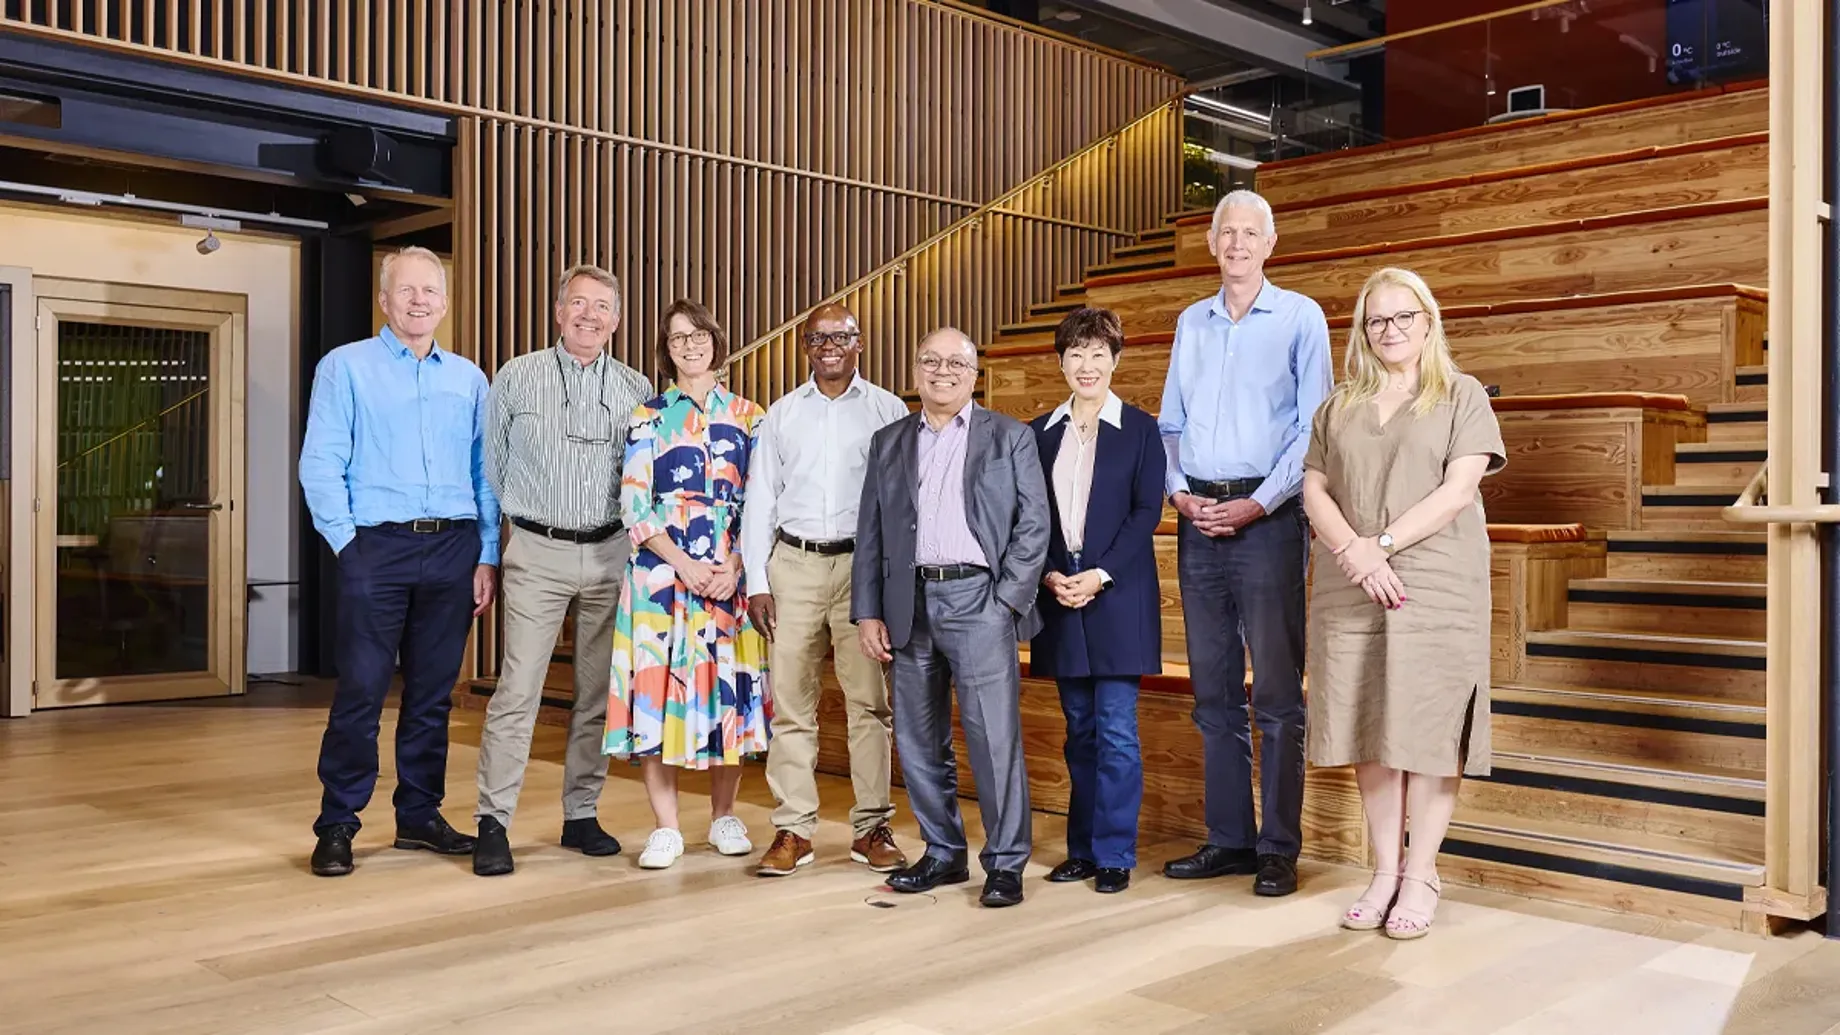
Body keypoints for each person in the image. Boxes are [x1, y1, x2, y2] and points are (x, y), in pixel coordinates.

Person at [1301, 267, 1504, 940]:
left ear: (1428, 321)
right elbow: (1314, 489)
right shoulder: (1339, 403)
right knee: (1370, 724)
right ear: (1363, 330)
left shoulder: (1461, 393)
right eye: (1377, 320)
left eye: (1403, 317)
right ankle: (1385, 870)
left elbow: (1457, 490)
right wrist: (1357, 553)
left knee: (1429, 728)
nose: (1390, 330)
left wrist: (1381, 543)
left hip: (1436, 579)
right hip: (1350, 579)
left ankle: (1422, 872)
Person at [299, 245, 501, 877]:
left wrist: (486, 552)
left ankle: (418, 815)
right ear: (384, 300)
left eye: (430, 291)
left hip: (453, 547)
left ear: (444, 301)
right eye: (405, 290)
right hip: (374, 547)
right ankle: (338, 823)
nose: (418, 301)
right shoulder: (346, 367)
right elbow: (321, 460)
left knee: (432, 696)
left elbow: (484, 472)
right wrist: (347, 545)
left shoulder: (469, 378)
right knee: (360, 691)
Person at [1156, 189, 1332, 897]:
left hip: (1270, 518)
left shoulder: (1299, 316)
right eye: (1225, 231)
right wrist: (1179, 493)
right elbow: (1170, 424)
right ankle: (1229, 838)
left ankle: (1278, 847)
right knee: (1214, 691)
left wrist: (1260, 502)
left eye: (1249, 232)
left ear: (1270, 243)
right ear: (1210, 241)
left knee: (1279, 694)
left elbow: (1313, 426)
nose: (1236, 243)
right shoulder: (1190, 322)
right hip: (1198, 519)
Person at [851, 327, 1050, 908]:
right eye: (930, 361)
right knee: (917, 738)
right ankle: (943, 852)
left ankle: (1006, 863)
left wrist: (1007, 600)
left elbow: (1034, 526)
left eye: (955, 363)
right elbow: (871, 533)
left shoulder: (1009, 437)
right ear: (915, 371)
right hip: (906, 603)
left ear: (975, 373)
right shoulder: (888, 440)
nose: (942, 371)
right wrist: (868, 611)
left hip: (979, 602)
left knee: (994, 740)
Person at [471, 264, 654, 876]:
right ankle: (492, 822)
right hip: (537, 551)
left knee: (595, 694)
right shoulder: (517, 376)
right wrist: (495, 550)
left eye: (602, 306)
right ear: (558, 312)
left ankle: (581, 814)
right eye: (578, 303)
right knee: (517, 690)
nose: (589, 315)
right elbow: (491, 469)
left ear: (616, 320)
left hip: (611, 553)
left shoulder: (637, 387)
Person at [741, 303, 911, 877]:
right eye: (818, 337)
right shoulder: (782, 415)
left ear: (859, 342)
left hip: (861, 571)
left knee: (869, 705)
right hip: (793, 567)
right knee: (790, 706)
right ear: (805, 345)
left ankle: (872, 828)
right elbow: (760, 500)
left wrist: (890, 585)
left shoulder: (888, 410)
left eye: (841, 336)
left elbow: (902, 504)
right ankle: (793, 830)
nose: (830, 345)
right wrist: (758, 582)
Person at [604, 299, 771, 870]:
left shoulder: (752, 416)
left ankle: (724, 814)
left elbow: (765, 502)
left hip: (730, 577)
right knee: (655, 691)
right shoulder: (646, 416)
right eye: (677, 338)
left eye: (699, 334)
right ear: (665, 349)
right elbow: (633, 503)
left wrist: (737, 565)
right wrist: (683, 563)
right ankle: (666, 827)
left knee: (728, 693)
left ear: (717, 341)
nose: (690, 345)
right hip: (661, 576)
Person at [1028, 307, 1165, 896]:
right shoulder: (1037, 433)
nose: (1087, 365)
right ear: (1061, 362)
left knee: (1115, 731)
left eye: (1098, 354)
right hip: (1059, 595)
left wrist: (1100, 574)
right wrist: (1050, 575)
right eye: (1076, 354)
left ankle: (1114, 853)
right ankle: (1080, 849)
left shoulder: (1139, 429)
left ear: (1115, 360)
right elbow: (1027, 517)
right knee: (1078, 729)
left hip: (1118, 596)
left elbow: (1146, 514)